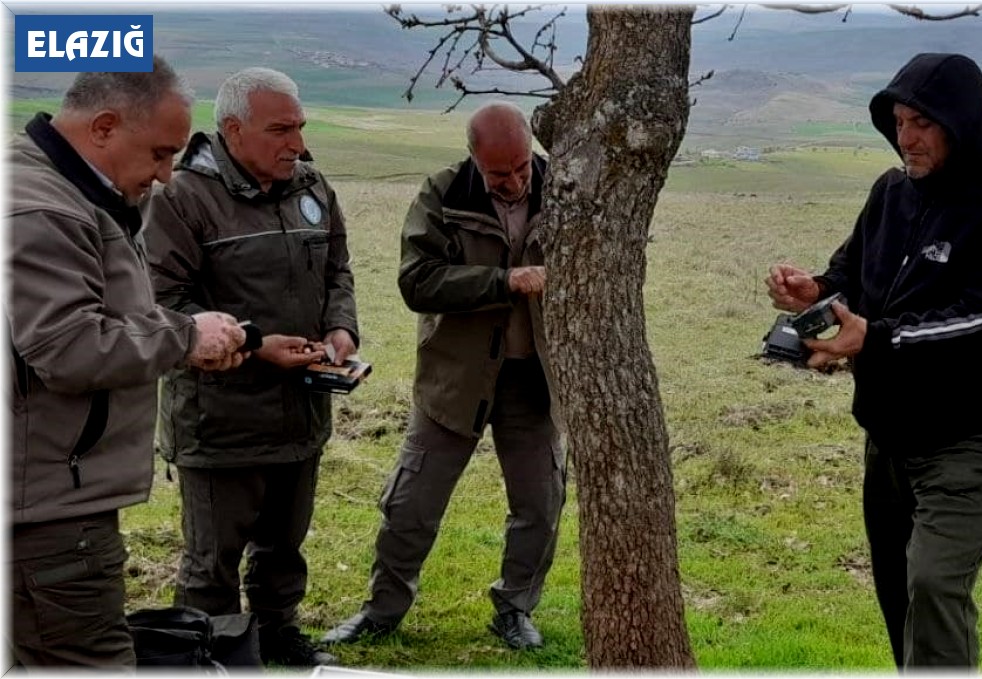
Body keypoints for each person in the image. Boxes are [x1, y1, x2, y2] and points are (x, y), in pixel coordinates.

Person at [766, 53, 982, 669]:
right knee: (898, 594)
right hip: (889, 437)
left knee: (933, 586)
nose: (906, 138)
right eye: (898, 122)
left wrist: (874, 339)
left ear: (962, 121)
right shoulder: (891, 189)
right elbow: (853, 275)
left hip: (975, 438)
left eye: (922, 123)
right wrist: (815, 294)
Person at [7, 56, 248, 668]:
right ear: (105, 127)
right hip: (49, 510)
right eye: (161, 153)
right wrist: (185, 338)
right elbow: (67, 346)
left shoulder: (79, 193)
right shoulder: (45, 209)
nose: (168, 176)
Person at [323, 101, 565, 651]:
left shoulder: (562, 187)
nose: (514, 181)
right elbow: (418, 282)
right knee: (412, 502)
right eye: (499, 173)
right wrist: (505, 281)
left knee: (541, 503)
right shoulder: (443, 194)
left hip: (535, 378)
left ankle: (515, 609)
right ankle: (382, 612)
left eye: (522, 167)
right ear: (473, 157)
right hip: (455, 378)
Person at [143, 67, 358, 668]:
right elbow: (162, 306)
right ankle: (211, 653)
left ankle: (278, 635)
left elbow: (338, 268)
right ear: (233, 131)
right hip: (220, 422)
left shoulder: (310, 185)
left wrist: (341, 328)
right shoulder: (182, 199)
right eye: (281, 129)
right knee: (212, 562)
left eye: (300, 127)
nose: (297, 143)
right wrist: (257, 342)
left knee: (283, 548)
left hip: (300, 413)